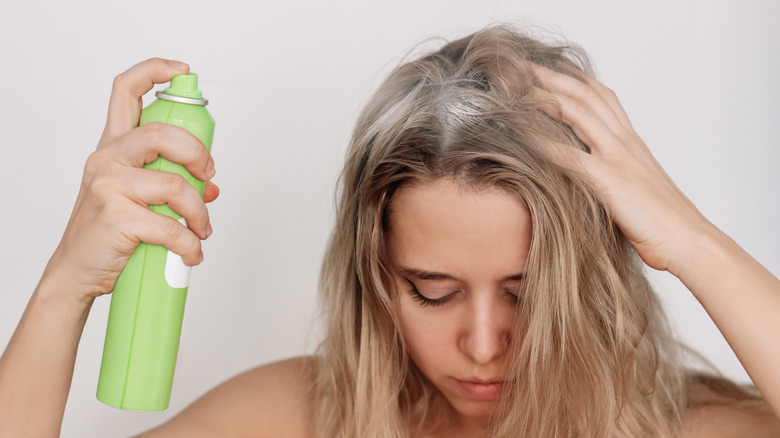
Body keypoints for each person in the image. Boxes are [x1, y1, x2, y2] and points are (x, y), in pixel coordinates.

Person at [1, 24, 779, 438]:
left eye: (527, 292)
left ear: (595, 280)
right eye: (432, 292)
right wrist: (64, 286)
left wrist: (693, 242)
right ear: (375, 273)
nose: (483, 343)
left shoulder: (694, 429)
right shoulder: (299, 418)